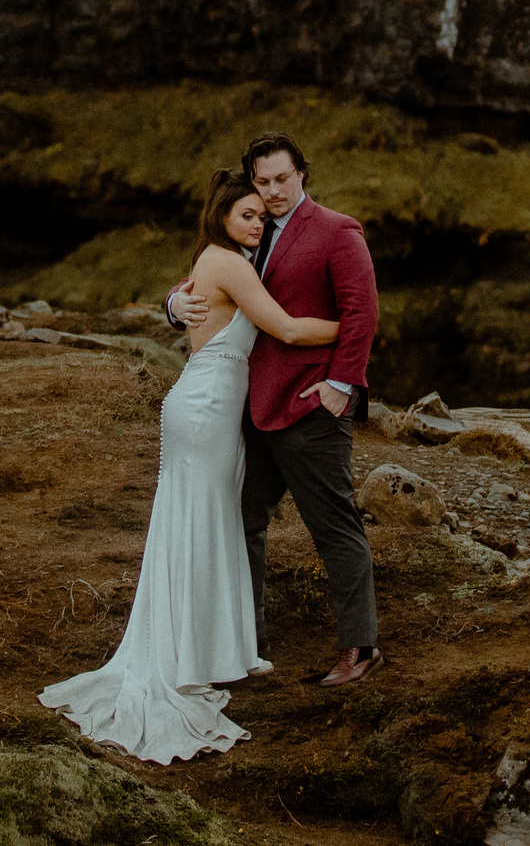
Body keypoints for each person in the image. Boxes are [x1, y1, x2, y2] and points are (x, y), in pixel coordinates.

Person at [38, 169, 341, 762]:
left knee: (206, 522)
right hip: (204, 411)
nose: (257, 224)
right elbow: (283, 327)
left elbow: (204, 302)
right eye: (246, 215)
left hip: (210, 410)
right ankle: (180, 658)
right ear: (223, 218)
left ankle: (208, 649)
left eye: (261, 215)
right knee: (197, 523)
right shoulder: (226, 262)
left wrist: (175, 302)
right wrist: (355, 328)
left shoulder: (220, 260)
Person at [166, 132, 384, 688]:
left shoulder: (338, 231)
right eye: (262, 182)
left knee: (333, 526)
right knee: (242, 520)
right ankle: (246, 640)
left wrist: (343, 383)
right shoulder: (251, 229)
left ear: (302, 173)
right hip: (250, 410)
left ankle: (359, 649)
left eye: (282, 179)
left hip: (312, 406)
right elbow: (216, 277)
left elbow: (362, 310)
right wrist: (174, 302)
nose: (272, 192)